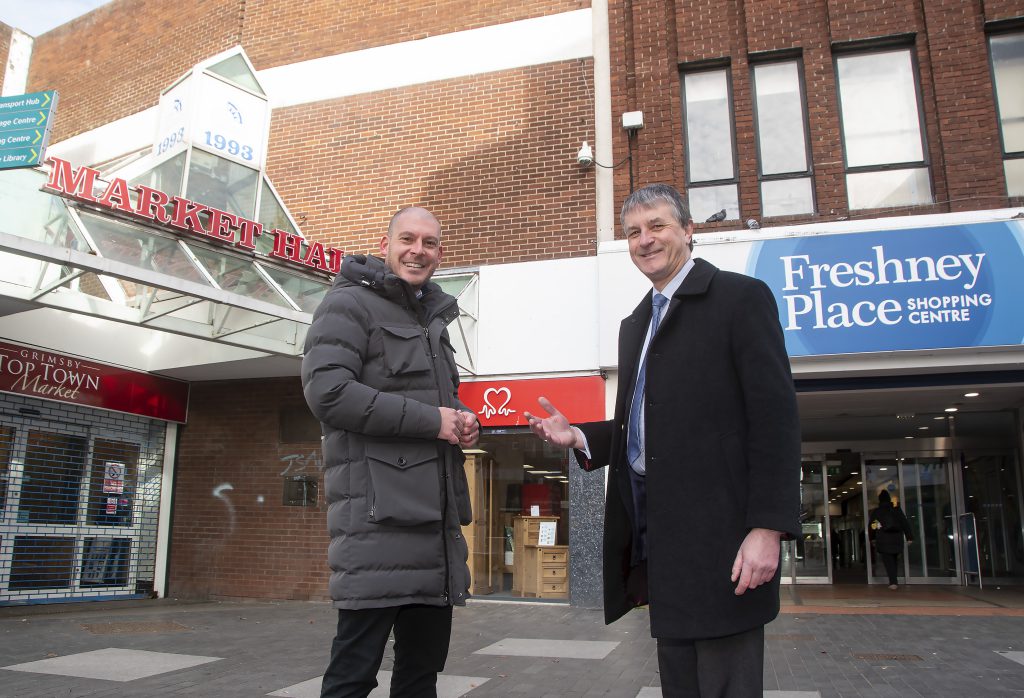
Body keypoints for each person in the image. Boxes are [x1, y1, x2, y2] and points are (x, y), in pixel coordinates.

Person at [524, 184, 800, 697]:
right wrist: (581, 435)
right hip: (663, 543)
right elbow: (648, 426)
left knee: (725, 687)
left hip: (725, 545)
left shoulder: (740, 300)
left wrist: (768, 528)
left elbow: (775, 421)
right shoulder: (637, 324)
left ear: (689, 231)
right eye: (633, 232)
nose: (644, 240)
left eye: (657, 226)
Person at [302, 206, 479, 698]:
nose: (417, 251)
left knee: (421, 678)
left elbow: (438, 404)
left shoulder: (433, 318)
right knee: (352, 677)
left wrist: (462, 421)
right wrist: (433, 422)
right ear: (385, 245)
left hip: (434, 535)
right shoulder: (348, 305)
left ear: (440, 254)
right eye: (407, 239)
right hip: (376, 530)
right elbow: (328, 393)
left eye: (430, 243)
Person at [869, 489, 914, 590]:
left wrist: (873, 537)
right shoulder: (897, 510)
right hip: (897, 538)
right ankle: (894, 580)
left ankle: (893, 581)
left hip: (884, 539)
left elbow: (873, 526)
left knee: (888, 560)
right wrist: (909, 537)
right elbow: (904, 523)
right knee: (894, 559)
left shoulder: (877, 512)